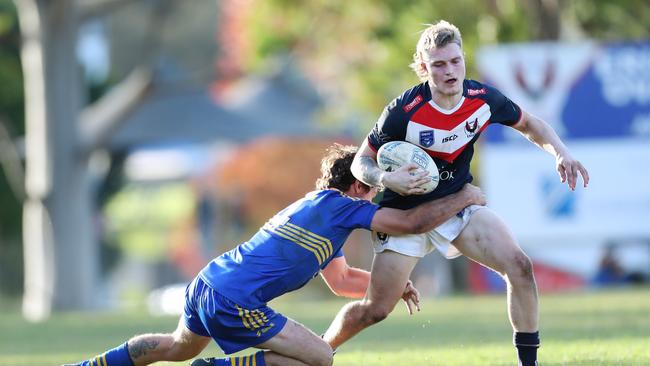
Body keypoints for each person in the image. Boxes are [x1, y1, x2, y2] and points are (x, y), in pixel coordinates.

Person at [65, 144, 486, 366]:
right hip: (235, 299)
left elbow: (341, 281)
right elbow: (411, 225)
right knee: (319, 358)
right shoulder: (341, 206)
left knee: (178, 347)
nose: (377, 193)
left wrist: (395, 284)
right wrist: (465, 195)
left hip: (209, 283)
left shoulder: (321, 211)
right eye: (373, 187)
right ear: (358, 185)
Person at [321, 20, 590, 366]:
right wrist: (388, 180)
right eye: (438, 64)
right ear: (423, 68)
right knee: (376, 310)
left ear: (464, 59)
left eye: (455, 61)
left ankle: (529, 364)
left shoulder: (482, 100)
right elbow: (362, 162)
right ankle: (318, 350)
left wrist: (561, 153)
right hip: (404, 217)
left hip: (456, 207)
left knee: (519, 266)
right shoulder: (404, 110)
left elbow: (531, 124)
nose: (449, 71)